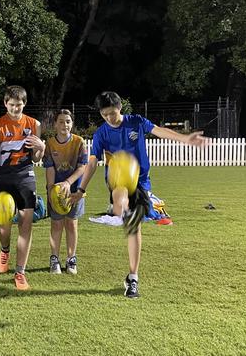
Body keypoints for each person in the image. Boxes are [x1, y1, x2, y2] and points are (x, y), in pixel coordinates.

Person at [74, 91, 209, 298]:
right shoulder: (101, 133)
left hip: (141, 180)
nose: (110, 117)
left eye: (113, 112)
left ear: (120, 108)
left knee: (133, 227)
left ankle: (133, 277)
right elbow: (92, 163)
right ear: (101, 114)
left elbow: (159, 131)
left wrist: (185, 138)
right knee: (121, 200)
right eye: (105, 114)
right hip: (117, 179)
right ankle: (122, 209)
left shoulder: (135, 121)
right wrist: (81, 190)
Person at [0, 85, 45, 290]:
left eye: (19, 105)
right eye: (11, 105)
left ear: (24, 104)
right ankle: (4, 250)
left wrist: (41, 148)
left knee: (25, 224)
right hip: (3, 177)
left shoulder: (34, 124)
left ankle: (20, 272)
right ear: (5, 104)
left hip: (25, 175)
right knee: (4, 225)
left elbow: (36, 158)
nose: (15, 109)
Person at [42, 110, 87, 275]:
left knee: (71, 224)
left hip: (75, 191)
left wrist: (68, 183)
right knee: (56, 224)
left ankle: (71, 259)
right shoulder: (50, 144)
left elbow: (83, 167)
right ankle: (54, 259)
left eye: (67, 121)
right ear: (55, 124)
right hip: (56, 192)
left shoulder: (79, 142)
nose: (64, 125)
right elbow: (49, 168)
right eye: (61, 121)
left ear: (72, 124)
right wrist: (51, 190)